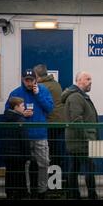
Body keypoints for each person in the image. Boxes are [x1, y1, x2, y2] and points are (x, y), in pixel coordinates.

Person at [5, 69, 53, 199]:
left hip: (40, 135)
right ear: (22, 79)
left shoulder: (43, 91)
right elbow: (7, 112)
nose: (29, 83)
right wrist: (21, 114)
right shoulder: (15, 93)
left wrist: (38, 95)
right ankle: (27, 192)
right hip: (23, 137)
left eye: (31, 80)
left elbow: (50, 108)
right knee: (24, 165)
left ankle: (42, 191)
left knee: (44, 163)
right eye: (26, 80)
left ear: (35, 80)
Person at [62, 71, 99, 199]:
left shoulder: (79, 96)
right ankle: (91, 195)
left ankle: (74, 195)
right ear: (79, 81)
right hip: (82, 142)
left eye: (91, 79)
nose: (90, 81)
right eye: (87, 79)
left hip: (77, 141)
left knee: (74, 168)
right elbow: (76, 120)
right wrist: (87, 139)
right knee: (89, 169)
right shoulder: (76, 97)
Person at [34, 64, 67, 193]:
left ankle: (50, 186)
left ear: (37, 75)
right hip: (60, 123)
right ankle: (56, 185)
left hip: (50, 124)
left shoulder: (42, 87)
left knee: (48, 155)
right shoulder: (56, 84)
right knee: (58, 154)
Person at [3, 97, 31, 199]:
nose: (24, 107)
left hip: (8, 153)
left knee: (9, 174)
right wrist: (28, 155)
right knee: (20, 175)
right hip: (19, 154)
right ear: (16, 107)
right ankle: (21, 194)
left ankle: (9, 194)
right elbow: (24, 140)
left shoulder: (5, 118)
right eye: (22, 105)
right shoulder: (20, 120)